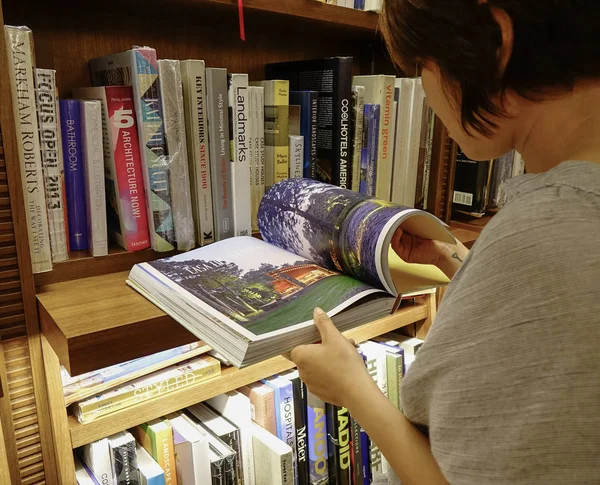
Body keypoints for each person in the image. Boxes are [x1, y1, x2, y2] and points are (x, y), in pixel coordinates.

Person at [287, 1, 600, 484]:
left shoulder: (547, 226)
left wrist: (351, 388)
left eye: (420, 70)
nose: (426, 98)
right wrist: (460, 261)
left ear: (492, 43)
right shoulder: (565, 214)